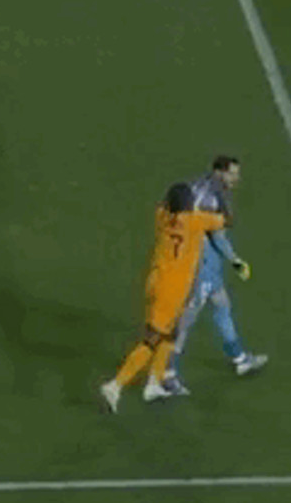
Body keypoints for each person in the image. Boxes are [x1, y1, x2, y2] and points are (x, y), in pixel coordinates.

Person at [99, 183, 226, 413]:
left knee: (171, 333)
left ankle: (154, 384)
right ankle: (115, 386)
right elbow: (225, 219)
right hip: (172, 291)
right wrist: (220, 195)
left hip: (156, 281)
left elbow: (165, 205)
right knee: (153, 339)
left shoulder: (162, 216)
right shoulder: (197, 221)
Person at [161, 156, 266, 395]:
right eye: (232, 173)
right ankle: (168, 374)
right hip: (199, 268)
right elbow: (217, 236)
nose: (236, 178)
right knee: (185, 321)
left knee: (222, 304)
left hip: (205, 264)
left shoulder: (200, 186)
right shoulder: (211, 199)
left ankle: (240, 359)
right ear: (219, 172)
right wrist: (235, 260)